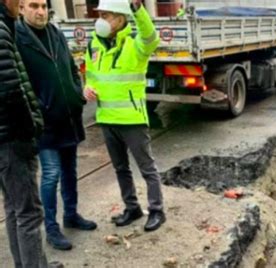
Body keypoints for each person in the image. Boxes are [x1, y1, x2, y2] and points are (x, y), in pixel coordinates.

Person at [15, 0, 97, 251]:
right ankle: (51, 228)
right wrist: (39, 108)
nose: (41, 11)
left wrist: (75, 92)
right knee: (51, 174)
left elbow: (71, 68)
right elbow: (19, 80)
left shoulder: (56, 33)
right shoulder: (17, 39)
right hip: (44, 122)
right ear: (21, 8)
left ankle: (70, 215)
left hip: (67, 116)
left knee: (70, 170)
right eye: (33, 5)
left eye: (43, 6)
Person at [84, 0, 165, 232]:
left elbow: (151, 37)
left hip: (132, 120)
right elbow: (90, 76)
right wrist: (86, 88)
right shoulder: (94, 46)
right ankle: (132, 208)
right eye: (100, 14)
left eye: (107, 15)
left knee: (147, 168)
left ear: (121, 19)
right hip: (107, 118)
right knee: (121, 169)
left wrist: (138, 10)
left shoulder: (136, 44)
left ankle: (157, 210)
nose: (102, 20)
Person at [0, 0, 50, 266]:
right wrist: (31, 128)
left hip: (5, 138)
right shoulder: (1, 30)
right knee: (29, 214)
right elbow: (10, 90)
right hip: (13, 139)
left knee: (14, 208)